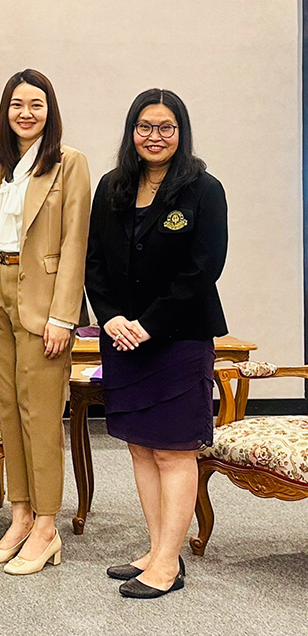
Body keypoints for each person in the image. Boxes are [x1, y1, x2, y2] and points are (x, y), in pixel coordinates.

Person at [85, 89, 227, 599]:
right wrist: (112, 318)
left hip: (178, 339)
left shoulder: (203, 190)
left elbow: (203, 269)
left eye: (166, 128)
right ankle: (155, 547)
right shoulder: (112, 186)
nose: (154, 137)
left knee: (173, 452)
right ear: (131, 132)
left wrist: (149, 322)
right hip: (122, 340)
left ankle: (169, 562)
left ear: (181, 132)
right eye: (144, 127)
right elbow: (93, 260)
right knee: (142, 449)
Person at [0, 69, 90, 575]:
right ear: (5, 111)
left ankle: (46, 526)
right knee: (9, 411)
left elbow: (76, 242)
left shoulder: (69, 164)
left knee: (41, 418)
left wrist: (65, 316)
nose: (26, 113)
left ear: (49, 111)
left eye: (36, 104)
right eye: (17, 104)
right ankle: (18, 516)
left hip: (42, 303)